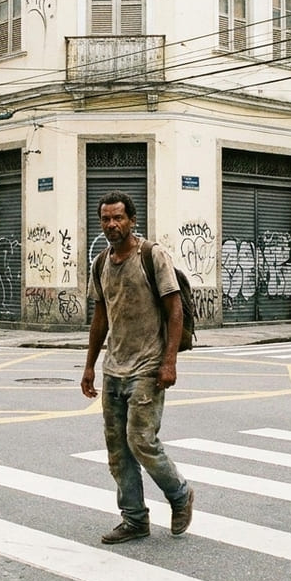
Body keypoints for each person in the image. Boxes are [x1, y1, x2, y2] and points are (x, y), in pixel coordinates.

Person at [81, 190, 194, 544]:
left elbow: (174, 309)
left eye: (118, 218)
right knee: (117, 449)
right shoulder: (100, 263)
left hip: (148, 366)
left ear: (132, 220)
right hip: (114, 368)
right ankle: (134, 519)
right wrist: (89, 366)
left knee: (141, 440)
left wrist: (169, 361)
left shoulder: (152, 255)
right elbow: (100, 318)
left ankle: (180, 494)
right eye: (106, 219)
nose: (112, 224)